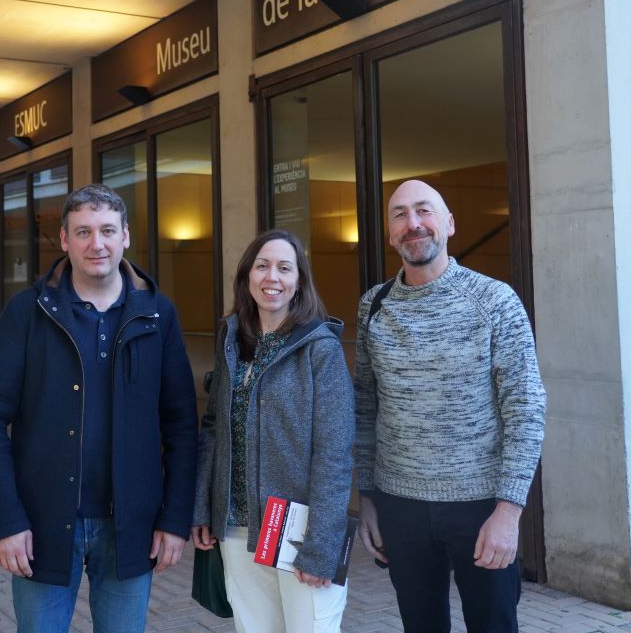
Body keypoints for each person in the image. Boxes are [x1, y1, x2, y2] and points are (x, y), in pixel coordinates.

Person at [0, 184, 199, 633]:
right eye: (84, 232)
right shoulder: (28, 313)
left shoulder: (157, 315)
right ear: (64, 240)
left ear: (126, 237)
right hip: (41, 525)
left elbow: (181, 425)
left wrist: (175, 519)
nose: (98, 244)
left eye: (108, 230)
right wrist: (4, 521)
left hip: (131, 526)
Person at [354, 179, 546, 633]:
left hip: (480, 505)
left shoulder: (495, 301)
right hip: (399, 504)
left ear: (449, 224)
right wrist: (368, 498)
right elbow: (365, 405)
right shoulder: (373, 306)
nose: (413, 223)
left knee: (493, 624)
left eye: (424, 211)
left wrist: (509, 511)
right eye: (400, 214)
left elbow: (526, 408)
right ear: (389, 232)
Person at [192, 230, 354, 632]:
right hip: (237, 527)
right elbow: (213, 428)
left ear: (299, 281)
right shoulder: (233, 344)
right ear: (247, 276)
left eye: (285, 268)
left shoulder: (321, 349)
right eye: (262, 266)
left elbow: (334, 453)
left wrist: (321, 547)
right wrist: (202, 507)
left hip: (299, 531)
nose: (272, 277)